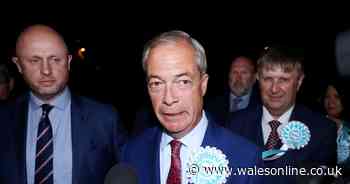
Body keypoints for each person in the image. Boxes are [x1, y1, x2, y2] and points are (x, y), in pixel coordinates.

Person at [121, 30, 264, 184]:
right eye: (157, 83)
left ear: (203, 85)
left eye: (183, 82)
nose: (169, 99)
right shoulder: (131, 153)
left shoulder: (246, 159)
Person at [0, 25, 124, 184]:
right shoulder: (3, 119)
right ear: (18, 65)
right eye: (34, 60)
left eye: (55, 59)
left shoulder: (105, 119)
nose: (46, 70)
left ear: (68, 61)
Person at [228, 46, 337, 183]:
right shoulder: (234, 126)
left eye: (283, 80)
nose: (274, 89)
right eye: (268, 79)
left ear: (299, 81)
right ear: (257, 79)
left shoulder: (322, 131)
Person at [205, 55, 260, 125]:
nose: (238, 78)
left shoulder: (262, 107)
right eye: (234, 72)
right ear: (229, 75)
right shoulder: (211, 105)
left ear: (254, 78)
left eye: (244, 73)